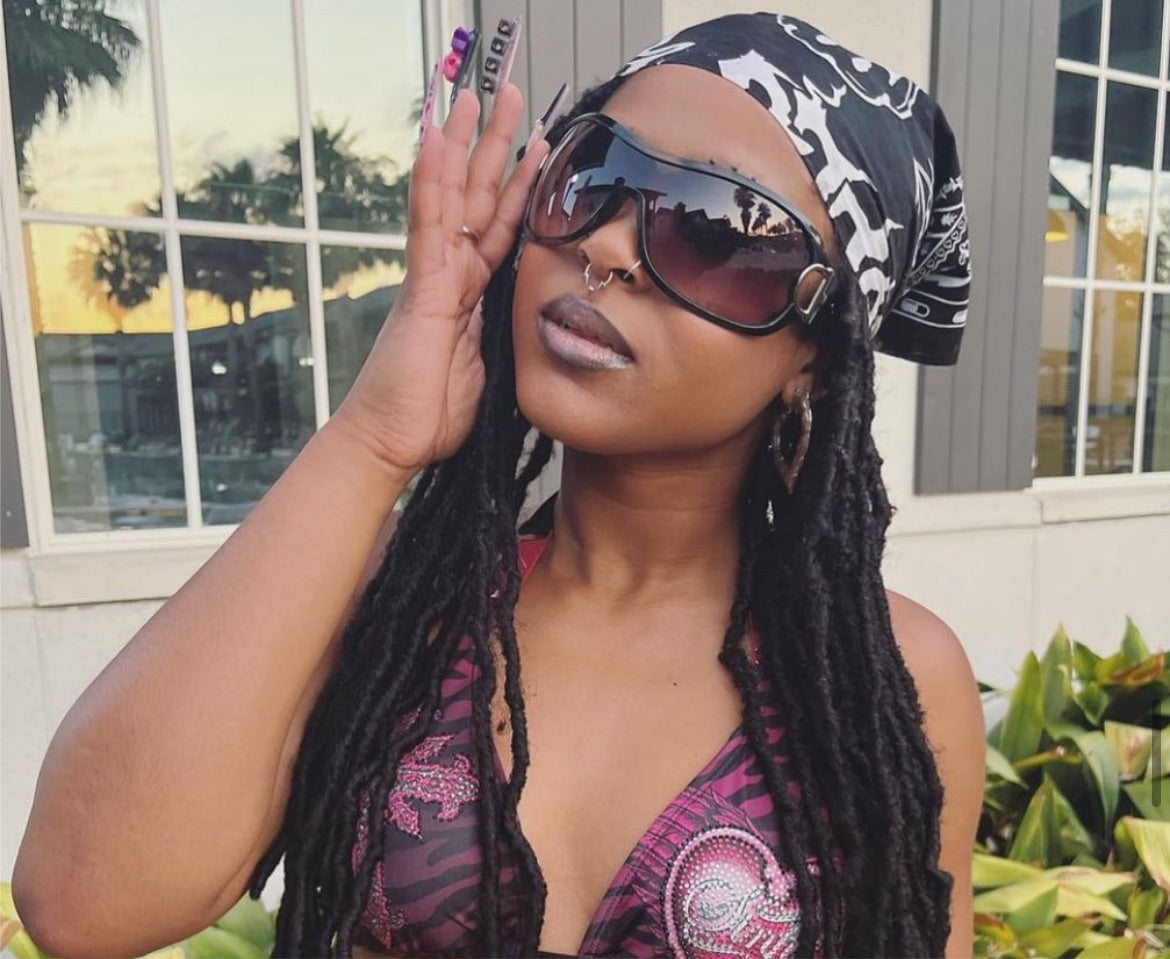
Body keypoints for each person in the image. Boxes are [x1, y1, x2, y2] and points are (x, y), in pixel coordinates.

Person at [13, 12, 985, 959]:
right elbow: (82, 900)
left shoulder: (893, 674)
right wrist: (372, 439)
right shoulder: (396, 596)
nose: (606, 248)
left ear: (816, 355)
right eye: (594, 175)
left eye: (717, 231)